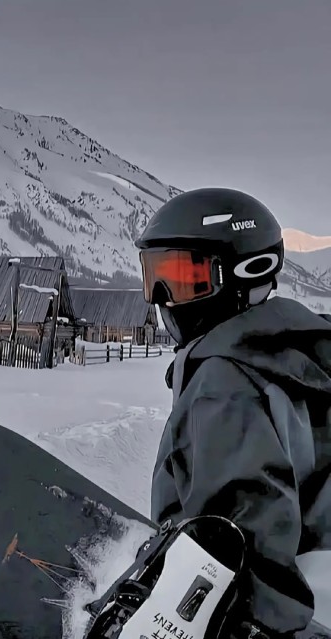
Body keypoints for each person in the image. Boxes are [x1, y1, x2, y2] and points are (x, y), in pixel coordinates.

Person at [134, 187, 331, 638]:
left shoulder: (222, 383)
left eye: (185, 278)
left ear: (246, 273)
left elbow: (240, 538)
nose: (165, 299)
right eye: (157, 278)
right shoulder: (297, 357)